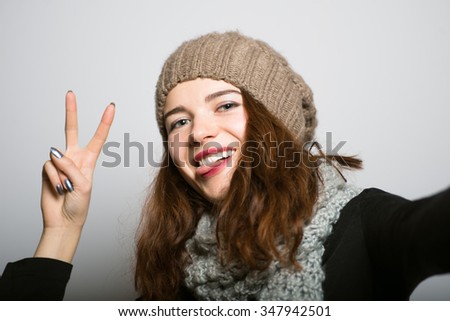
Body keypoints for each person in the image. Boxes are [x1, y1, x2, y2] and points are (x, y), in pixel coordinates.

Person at [1, 31, 449, 301]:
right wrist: (59, 235)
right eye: (179, 121)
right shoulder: (179, 278)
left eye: (226, 105)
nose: (197, 133)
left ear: (276, 123)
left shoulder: (366, 225)